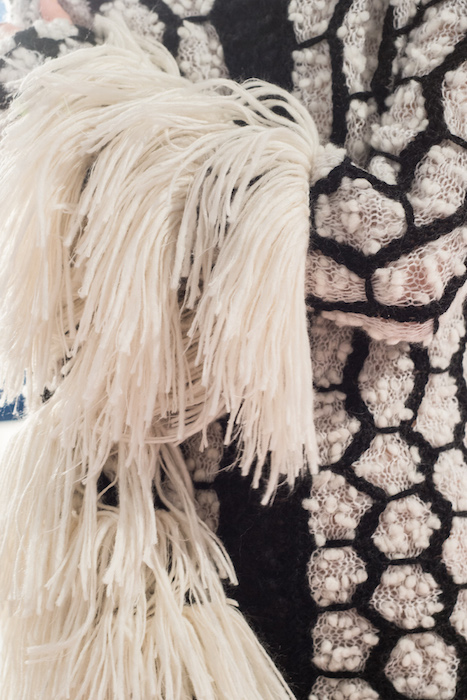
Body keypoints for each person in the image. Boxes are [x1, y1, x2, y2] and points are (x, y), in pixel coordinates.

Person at [1, 2, 467, 699]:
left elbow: (413, 262)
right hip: (149, 582)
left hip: (380, 574)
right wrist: (280, 196)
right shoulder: (100, 15)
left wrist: (141, 150)